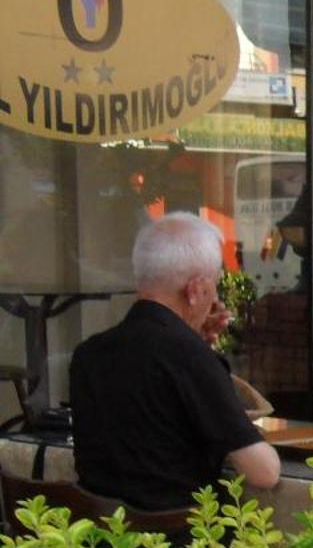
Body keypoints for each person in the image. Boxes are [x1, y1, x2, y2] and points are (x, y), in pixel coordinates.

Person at [70, 213, 281, 511]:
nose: (216, 298)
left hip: (104, 544)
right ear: (196, 290)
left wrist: (196, 345)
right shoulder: (189, 357)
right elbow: (264, 472)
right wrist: (200, 355)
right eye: (215, 285)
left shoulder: (88, 354)